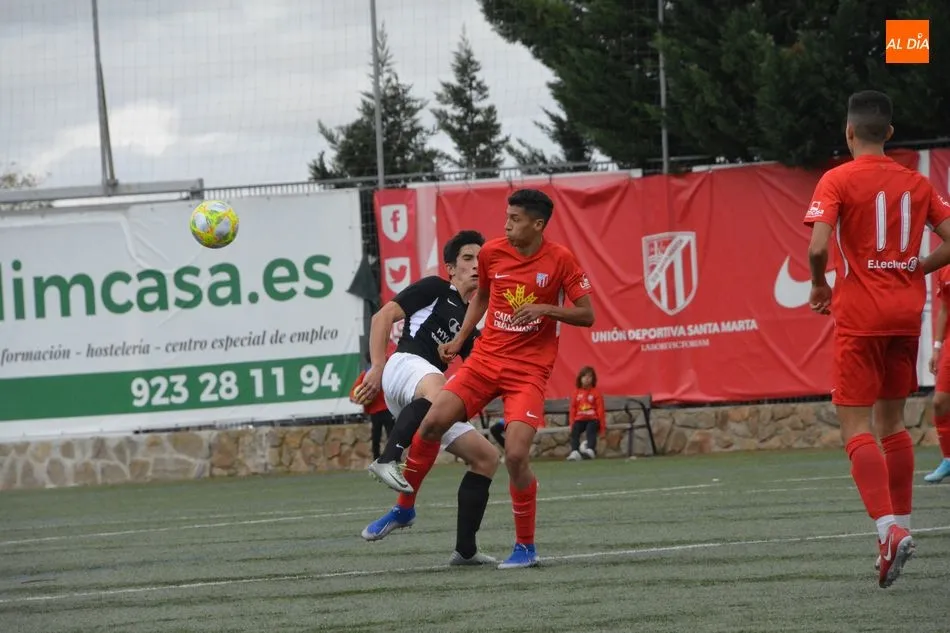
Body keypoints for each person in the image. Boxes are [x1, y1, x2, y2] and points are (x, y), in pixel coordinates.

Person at [383, 188, 595, 569]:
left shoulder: (561, 259)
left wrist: (546, 309)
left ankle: (525, 547)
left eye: (515, 219)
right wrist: (460, 340)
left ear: (538, 224)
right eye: (506, 217)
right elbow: (481, 296)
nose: (507, 225)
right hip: (485, 361)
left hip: (528, 371)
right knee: (431, 422)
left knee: (515, 455)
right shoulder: (492, 252)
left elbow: (587, 314)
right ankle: (404, 508)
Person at [803, 89, 950, 589]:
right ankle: (902, 526)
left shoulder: (837, 178)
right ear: (889, 132)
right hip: (905, 317)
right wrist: (918, 267)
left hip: (860, 317)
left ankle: (887, 531)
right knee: (893, 425)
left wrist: (819, 285)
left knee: (855, 426)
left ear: (848, 132)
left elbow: (817, 247)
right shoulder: (917, 182)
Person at [352, 230, 500, 565]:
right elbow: (382, 316)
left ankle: (464, 550)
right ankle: (387, 459)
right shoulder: (436, 288)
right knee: (439, 388)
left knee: (487, 457)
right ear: (451, 268)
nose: (475, 265)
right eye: (467, 258)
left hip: (425, 397)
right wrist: (377, 366)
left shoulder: (470, 323)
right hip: (403, 366)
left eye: (480, 260)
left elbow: (482, 372)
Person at [925, 266, 950, 482]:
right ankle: (948, 458)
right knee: (939, 402)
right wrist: (936, 348)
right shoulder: (944, 268)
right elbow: (944, 309)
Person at [349, 352, 395, 460]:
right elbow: (353, 394)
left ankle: (379, 458)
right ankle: (391, 458)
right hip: (382, 410)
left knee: (379, 437)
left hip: (383, 409)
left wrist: (355, 398)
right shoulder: (372, 373)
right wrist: (356, 398)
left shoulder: (368, 374)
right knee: (388, 436)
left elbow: (352, 394)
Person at [567, 366, 605, 461]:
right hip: (580, 419)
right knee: (575, 428)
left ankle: (590, 450)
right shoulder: (576, 393)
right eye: (584, 376)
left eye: (589, 376)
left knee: (591, 428)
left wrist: (602, 429)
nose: (587, 379)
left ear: (593, 379)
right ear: (580, 378)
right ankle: (575, 451)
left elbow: (600, 410)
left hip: (593, 419)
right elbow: (572, 410)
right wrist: (572, 424)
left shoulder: (596, 393)